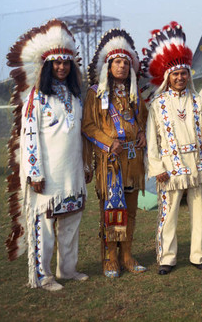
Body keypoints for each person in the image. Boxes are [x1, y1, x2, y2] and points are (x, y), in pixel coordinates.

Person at [6, 19, 90, 291]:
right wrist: (34, 172)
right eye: (57, 63)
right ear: (48, 66)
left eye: (66, 62)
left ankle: (67, 269)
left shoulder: (76, 96)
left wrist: (86, 166)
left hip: (72, 171)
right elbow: (29, 136)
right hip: (48, 174)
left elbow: (81, 134)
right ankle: (43, 276)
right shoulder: (37, 97)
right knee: (45, 225)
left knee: (71, 222)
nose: (62, 67)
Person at [144, 22, 202, 275]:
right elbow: (153, 140)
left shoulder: (199, 101)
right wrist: (157, 167)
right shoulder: (158, 104)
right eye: (175, 74)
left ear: (189, 75)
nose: (180, 78)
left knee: (199, 213)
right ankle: (167, 258)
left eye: (184, 73)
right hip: (169, 168)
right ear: (167, 77)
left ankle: (199, 256)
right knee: (168, 214)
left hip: (197, 165)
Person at [82, 28, 148, 278]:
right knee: (111, 209)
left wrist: (141, 133)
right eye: (117, 62)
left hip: (133, 159)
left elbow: (142, 119)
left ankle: (127, 256)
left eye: (125, 62)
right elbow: (88, 126)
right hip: (110, 161)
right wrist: (109, 142)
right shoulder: (95, 93)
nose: (121, 66)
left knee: (131, 210)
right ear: (108, 65)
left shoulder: (134, 94)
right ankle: (110, 258)